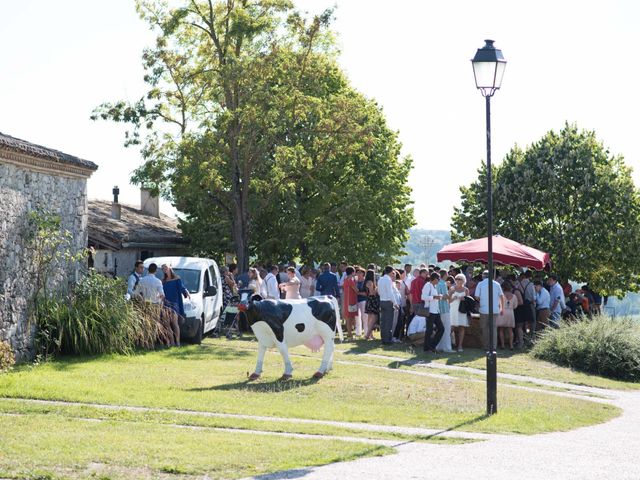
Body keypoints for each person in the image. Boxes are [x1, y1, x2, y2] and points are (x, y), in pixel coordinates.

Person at [474, 270, 505, 351]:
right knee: (494, 328)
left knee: (484, 328)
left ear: (483, 276)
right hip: (495, 309)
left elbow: (476, 296)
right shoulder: (497, 284)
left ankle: (486, 346)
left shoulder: (480, 284)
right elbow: (502, 296)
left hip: (484, 309)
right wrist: (502, 308)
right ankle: (493, 346)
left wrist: (483, 300)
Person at [161, 264, 190, 346]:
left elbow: (182, 288)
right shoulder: (163, 281)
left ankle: (177, 342)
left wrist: (186, 292)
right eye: (163, 269)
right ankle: (171, 341)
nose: (164, 270)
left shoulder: (177, 279)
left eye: (165, 268)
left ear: (170, 268)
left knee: (174, 323)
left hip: (174, 304)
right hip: (166, 304)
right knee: (166, 324)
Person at [422, 272, 445, 353]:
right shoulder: (427, 285)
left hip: (435, 311)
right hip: (430, 311)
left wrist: (438, 297)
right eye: (438, 279)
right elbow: (423, 297)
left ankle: (432, 346)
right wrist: (434, 297)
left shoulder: (434, 286)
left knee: (441, 329)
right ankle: (426, 348)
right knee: (429, 330)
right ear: (435, 279)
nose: (439, 281)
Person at [448, 273, 469, 352]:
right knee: (451, 327)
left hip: (462, 310)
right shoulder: (452, 288)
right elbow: (448, 301)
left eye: (460, 279)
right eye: (456, 279)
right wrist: (454, 298)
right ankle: (447, 344)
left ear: (463, 280)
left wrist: (464, 299)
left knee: (462, 327)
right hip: (453, 309)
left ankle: (460, 346)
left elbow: (468, 302)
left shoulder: (466, 290)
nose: (458, 280)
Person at [377, 266, 398, 345]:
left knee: (383, 321)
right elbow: (390, 293)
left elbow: (378, 291)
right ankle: (387, 340)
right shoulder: (388, 280)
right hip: (388, 302)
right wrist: (395, 303)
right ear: (391, 272)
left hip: (382, 301)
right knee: (389, 322)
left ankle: (383, 338)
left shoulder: (381, 279)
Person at [497, 282, 518, 350]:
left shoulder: (501, 295)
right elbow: (515, 306)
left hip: (502, 311)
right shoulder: (514, 296)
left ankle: (502, 345)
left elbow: (498, 304)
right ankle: (511, 345)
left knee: (501, 329)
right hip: (510, 312)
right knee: (510, 330)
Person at [436, 270, 453, 352]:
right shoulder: (443, 284)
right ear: (445, 275)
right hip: (444, 308)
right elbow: (446, 296)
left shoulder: (437, 284)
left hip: (438, 308)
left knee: (440, 328)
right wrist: (450, 290)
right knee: (447, 329)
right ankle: (447, 347)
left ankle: (439, 346)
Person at [342, 266, 359, 339]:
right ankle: (349, 333)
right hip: (351, 300)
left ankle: (349, 332)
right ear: (352, 272)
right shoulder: (350, 280)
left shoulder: (346, 279)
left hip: (348, 300)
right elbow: (356, 290)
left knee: (350, 317)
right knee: (350, 317)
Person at [364, 269, 380, 340]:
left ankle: (370, 334)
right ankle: (368, 335)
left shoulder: (366, 282)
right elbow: (372, 292)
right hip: (373, 299)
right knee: (374, 318)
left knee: (369, 318)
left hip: (368, 300)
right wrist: (376, 290)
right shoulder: (371, 282)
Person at [355, 268, 368, 337]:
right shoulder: (355, 282)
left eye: (360, 272)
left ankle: (366, 332)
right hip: (356, 301)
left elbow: (366, 293)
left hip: (363, 300)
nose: (358, 274)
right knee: (357, 317)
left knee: (365, 317)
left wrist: (358, 293)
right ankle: (358, 332)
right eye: (357, 272)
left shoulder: (365, 282)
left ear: (363, 273)